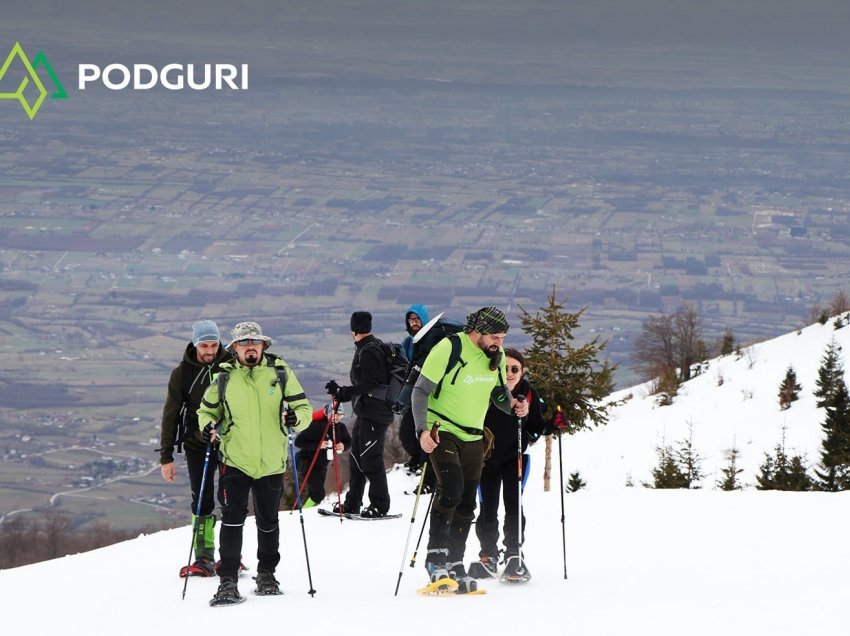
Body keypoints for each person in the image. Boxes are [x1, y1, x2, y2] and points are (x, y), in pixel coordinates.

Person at [412, 307, 528, 593]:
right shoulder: (449, 348)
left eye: (502, 338)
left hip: (475, 435)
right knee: (450, 488)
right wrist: (421, 430)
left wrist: (513, 404)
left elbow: (498, 392)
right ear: (478, 330)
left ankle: (455, 562)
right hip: (443, 429)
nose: (499, 343)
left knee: (467, 502)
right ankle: (435, 559)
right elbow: (420, 391)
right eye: (495, 337)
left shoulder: (496, 357)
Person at [197, 321, 312, 606]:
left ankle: (267, 575)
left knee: (268, 522)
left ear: (263, 346)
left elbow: (303, 408)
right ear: (234, 348)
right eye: (244, 343)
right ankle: (227, 582)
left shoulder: (280, 373)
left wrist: (296, 418)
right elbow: (206, 410)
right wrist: (207, 427)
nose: (250, 347)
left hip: (271, 462)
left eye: (255, 342)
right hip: (234, 461)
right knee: (232, 522)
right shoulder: (224, 378)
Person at [158, 319, 230, 578]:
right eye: (204, 345)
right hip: (195, 443)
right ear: (195, 343)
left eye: (213, 344)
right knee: (202, 499)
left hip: (230, 442)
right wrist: (166, 457)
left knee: (230, 498)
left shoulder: (231, 364)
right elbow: (170, 414)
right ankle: (203, 556)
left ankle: (230, 556)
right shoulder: (182, 373)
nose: (210, 350)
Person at [471, 348, 547, 581]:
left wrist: (528, 421)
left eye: (515, 369)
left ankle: (515, 554)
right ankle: (489, 555)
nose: (510, 373)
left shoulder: (529, 394)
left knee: (514, 506)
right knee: (488, 508)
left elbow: (536, 428)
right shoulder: (486, 389)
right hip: (486, 459)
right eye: (505, 368)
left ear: (522, 371)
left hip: (517, 458)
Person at [325, 310, 395, 518]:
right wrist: (342, 392)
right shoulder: (369, 347)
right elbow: (367, 386)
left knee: (370, 459)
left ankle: (380, 506)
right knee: (357, 457)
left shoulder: (368, 351)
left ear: (352, 329)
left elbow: (369, 385)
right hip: (367, 412)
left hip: (375, 414)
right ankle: (353, 503)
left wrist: (344, 391)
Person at [398, 304, 437, 493]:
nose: (414, 323)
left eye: (417, 319)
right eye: (411, 320)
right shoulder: (408, 343)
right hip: (411, 393)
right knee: (407, 434)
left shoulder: (432, 341)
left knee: (424, 432)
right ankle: (418, 460)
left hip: (428, 395)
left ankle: (428, 475)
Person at [294, 403, 351, 508]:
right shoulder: (316, 426)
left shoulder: (341, 428)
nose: (338, 417)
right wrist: (318, 445)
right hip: (309, 464)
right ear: (328, 414)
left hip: (322, 465)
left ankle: (304, 509)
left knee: (316, 492)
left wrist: (343, 446)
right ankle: (306, 510)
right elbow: (298, 442)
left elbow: (348, 442)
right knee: (318, 495)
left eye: (341, 414)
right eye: (335, 414)